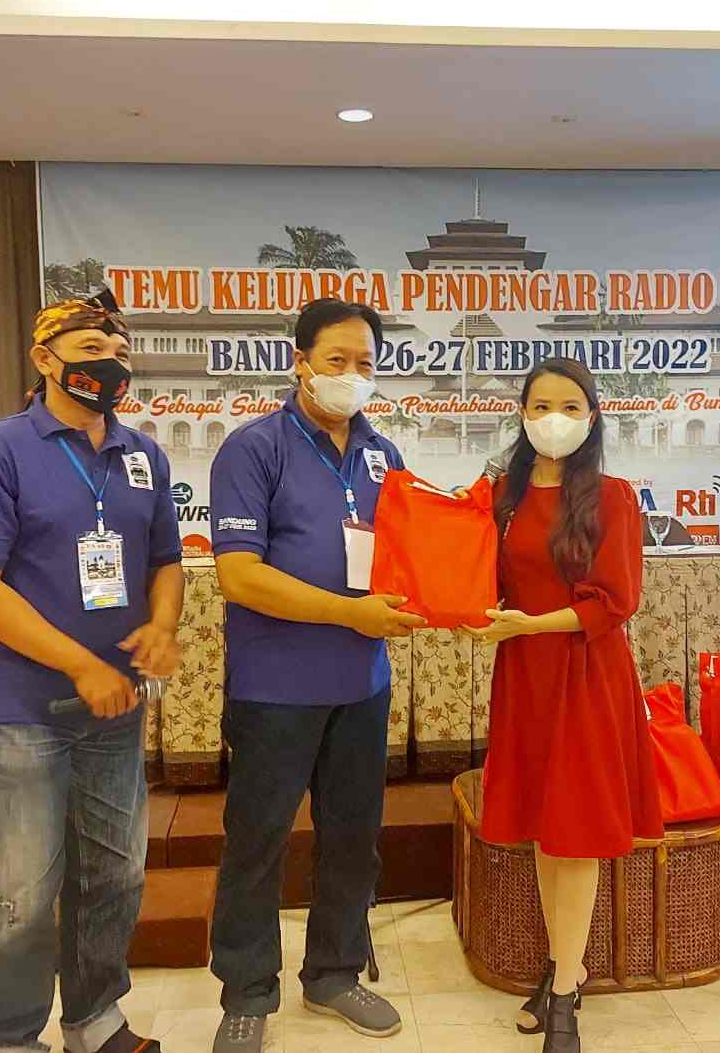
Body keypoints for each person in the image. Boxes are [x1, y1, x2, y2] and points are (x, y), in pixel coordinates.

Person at [0, 291, 184, 1053]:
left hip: (113, 709)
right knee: (20, 894)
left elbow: (167, 560)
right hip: (19, 710)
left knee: (114, 875)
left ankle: (94, 1019)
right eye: (89, 350)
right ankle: (10, 1039)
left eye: (118, 352)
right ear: (43, 359)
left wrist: (163, 624)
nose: (108, 364)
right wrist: (80, 664)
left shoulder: (143, 456)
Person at [207, 298, 426, 1053]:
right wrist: (347, 613)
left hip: (361, 683)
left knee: (353, 838)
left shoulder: (383, 454)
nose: (351, 375)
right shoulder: (253, 449)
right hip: (275, 686)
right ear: (299, 361)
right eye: (336, 360)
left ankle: (334, 972)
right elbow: (239, 575)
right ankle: (247, 992)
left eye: (365, 363)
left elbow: (408, 556)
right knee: (257, 840)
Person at [463, 357, 663, 1053]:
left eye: (570, 406)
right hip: (525, 678)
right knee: (544, 831)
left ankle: (566, 993)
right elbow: (470, 572)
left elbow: (614, 602)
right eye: (541, 405)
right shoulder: (501, 495)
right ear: (522, 414)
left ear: (592, 416)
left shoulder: (612, 497)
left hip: (585, 676)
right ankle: (560, 968)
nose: (554, 419)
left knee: (574, 834)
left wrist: (528, 624)